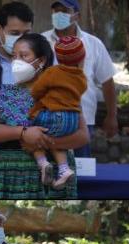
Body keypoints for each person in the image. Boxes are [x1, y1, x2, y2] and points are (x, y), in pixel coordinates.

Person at [0, 33, 89, 199]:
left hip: (56, 174)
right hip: (9, 174)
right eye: (14, 56)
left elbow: (83, 136)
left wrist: (42, 141)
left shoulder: (63, 91)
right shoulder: (1, 93)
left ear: (42, 61)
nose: (16, 61)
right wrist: (23, 133)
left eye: (24, 56)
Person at [42, 0, 118, 157]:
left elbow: (107, 81)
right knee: (49, 170)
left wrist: (112, 116)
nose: (58, 15)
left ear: (76, 15)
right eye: (56, 11)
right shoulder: (41, 42)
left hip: (82, 121)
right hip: (48, 119)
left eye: (64, 11)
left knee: (82, 171)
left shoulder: (93, 44)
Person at [28, 35, 87, 188]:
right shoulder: (82, 78)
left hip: (54, 115)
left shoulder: (52, 72)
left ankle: (43, 163)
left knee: (30, 133)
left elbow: (36, 90)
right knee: (57, 140)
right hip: (72, 119)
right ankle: (64, 169)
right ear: (81, 59)